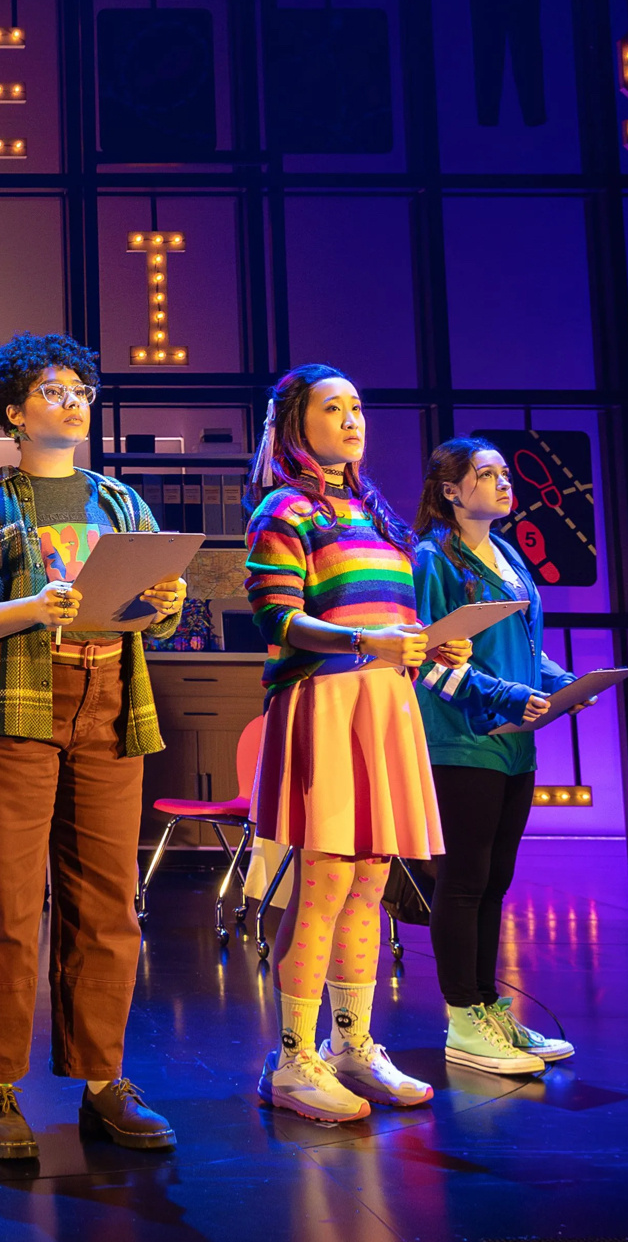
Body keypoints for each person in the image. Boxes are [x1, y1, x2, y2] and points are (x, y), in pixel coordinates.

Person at [0, 332, 188, 1162]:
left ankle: (104, 1081)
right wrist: (30, 609)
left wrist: (166, 600)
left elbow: (161, 619)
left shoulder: (120, 503)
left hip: (110, 705)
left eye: (80, 389)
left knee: (107, 904)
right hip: (9, 708)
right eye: (51, 389)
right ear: (13, 411)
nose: (72, 401)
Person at [243, 363, 467, 1123]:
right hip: (326, 702)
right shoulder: (285, 509)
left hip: (384, 704)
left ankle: (352, 1044)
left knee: (371, 883)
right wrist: (367, 641)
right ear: (295, 424)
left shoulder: (375, 516)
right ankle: (292, 1058)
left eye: (358, 407)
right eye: (333, 407)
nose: (352, 420)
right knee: (327, 881)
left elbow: (391, 623)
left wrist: (432, 647)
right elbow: (278, 621)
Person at [412, 437, 579, 1075]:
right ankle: (462, 1017)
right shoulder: (434, 558)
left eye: (505, 473)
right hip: (461, 738)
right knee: (463, 882)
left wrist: (562, 683)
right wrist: (508, 694)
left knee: (495, 883)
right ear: (451, 490)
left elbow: (523, 648)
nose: (504, 483)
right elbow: (429, 657)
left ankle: (489, 1007)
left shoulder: (507, 554)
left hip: (513, 744)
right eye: (487, 474)